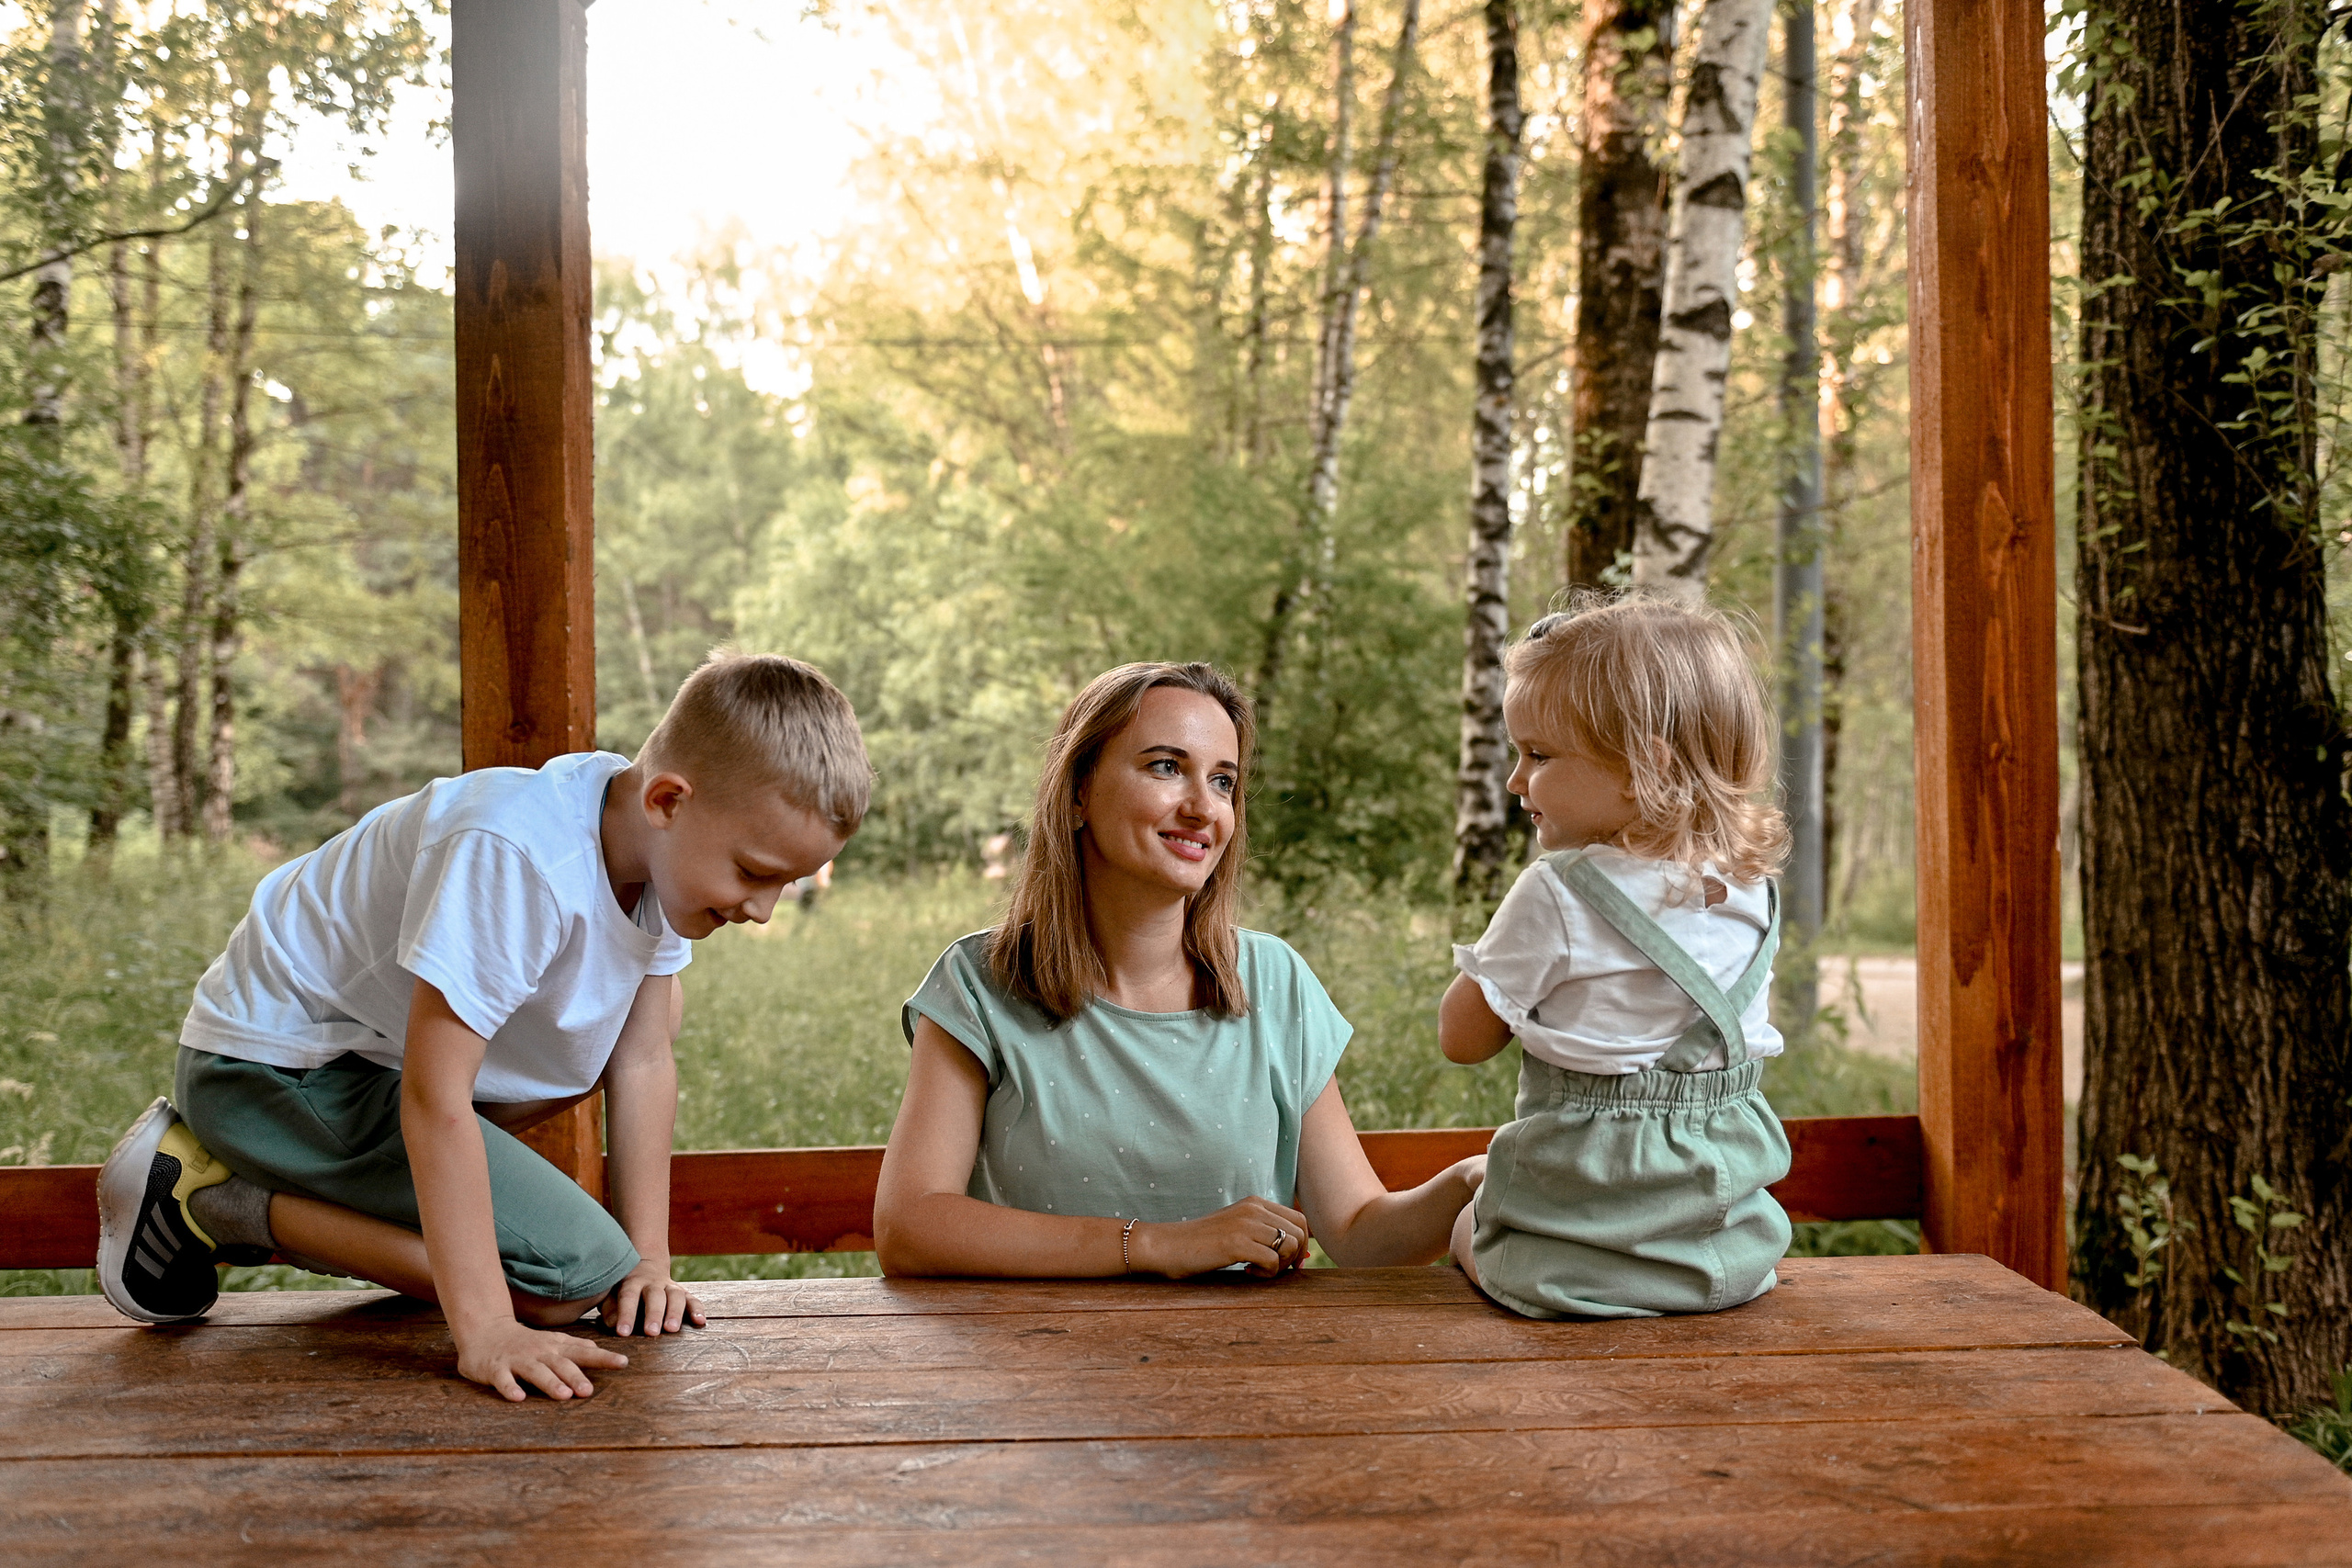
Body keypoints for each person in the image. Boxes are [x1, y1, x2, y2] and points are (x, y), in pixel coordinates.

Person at [96, 651, 869, 1400]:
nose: (763, 909)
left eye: (787, 884)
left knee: (632, 1052)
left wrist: (650, 1263)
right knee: (565, 1281)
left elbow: (641, 1063)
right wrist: (488, 1327)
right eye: (755, 872)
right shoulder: (518, 853)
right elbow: (437, 1097)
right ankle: (216, 1199)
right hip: (270, 1069)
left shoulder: (652, 852)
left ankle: (287, 1186)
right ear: (668, 800)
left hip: (373, 1068)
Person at [874, 661, 1481, 1278]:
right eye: (1166, 766)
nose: (1202, 807)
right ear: (1079, 789)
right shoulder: (980, 982)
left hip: (1234, 1365)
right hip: (1033, 1363)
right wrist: (1160, 1244)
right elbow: (910, 1224)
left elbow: (1355, 1231)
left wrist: (1465, 1181)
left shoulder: (1274, 980)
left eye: (1223, 782)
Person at [1442, 593, 1792, 1319]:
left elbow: (1462, 1040)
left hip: (1578, 1253)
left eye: (1537, 755)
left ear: (1644, 768)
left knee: (1465, 1221)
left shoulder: (1560, 890)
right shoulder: (1751, 889)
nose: (1515, 781)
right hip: (1726, 1253)